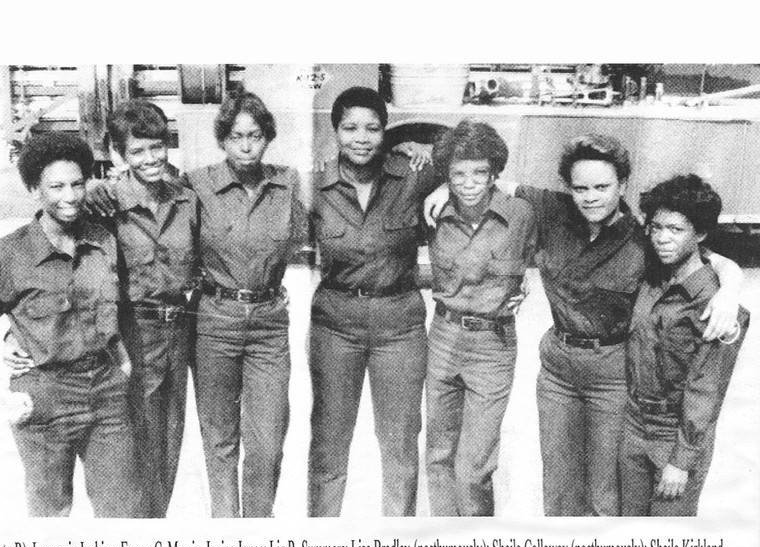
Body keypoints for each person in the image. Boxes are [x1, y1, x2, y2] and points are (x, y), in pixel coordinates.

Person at [425, 134, 742, 516]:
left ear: (622, 185)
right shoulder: (550, 210)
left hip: (611, 372)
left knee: (604, 489)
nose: (590, 197)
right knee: (558, 485)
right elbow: (489, 179)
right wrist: (446, 185)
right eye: (580, 188)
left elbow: (698, 250)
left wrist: (732, 284)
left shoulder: (642, 236)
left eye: (602, 187)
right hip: (557, 370)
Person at [3, 101, 198, 518]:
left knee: (168, 441)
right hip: (130, 333)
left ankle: (152, 533)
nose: (150, 159)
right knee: (130, 451)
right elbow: (49, 263)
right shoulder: (97, 200)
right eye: (138, 151)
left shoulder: (185, 197)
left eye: (157, 147)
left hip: (178, 330)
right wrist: (16, 332)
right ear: (117, 155)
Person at [0, 131, 144, 517]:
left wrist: (123, 361)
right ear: (35, 191)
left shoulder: (103, 241)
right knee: (51, 518)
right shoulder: (10, 254)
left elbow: (112, 309)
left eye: (78, 184)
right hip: (46, 397)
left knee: (122, 513)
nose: (71, 196)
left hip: (107, 392)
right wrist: (2, 393)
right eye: (57, 186)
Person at [307, 86, 437, 517]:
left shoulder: (413, 173)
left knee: (399, 440)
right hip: (335, 323)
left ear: (385, 132)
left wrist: (412, 139)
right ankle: (321, 539)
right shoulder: (316, 187)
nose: (361, 137)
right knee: (329, 439)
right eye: (350, 128)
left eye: (373, 128)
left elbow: (485, 148)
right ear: (335, 132)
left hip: (399, 324)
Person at [184, 91, 308, 517]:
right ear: (222, 139)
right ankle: (225, 529)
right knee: (219, 437)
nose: (245, 145)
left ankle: (258, 525)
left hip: (269, 323)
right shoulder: (197, 185)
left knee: (268, 437)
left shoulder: (287, 182)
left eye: (254, 135)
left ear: (267, 138)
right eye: (236, 136)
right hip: (215, 319)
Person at [620, 174, 749, 516]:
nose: (662, 238)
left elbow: (706, 391)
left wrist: (681, 461)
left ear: (700, 234)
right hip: (633, 425)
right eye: (656, 227)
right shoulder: (651, 276)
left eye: (676, 230)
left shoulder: (714, 304)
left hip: (675, 436)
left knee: (667, 546)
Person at [425, 120, 535, 516]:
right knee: (438, 455)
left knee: (474, 467)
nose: (469, 182)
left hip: (493, 345)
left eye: (479, 172)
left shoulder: (522, 215)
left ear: (494, 173)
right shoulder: (433, 211)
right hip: (443, 337)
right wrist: (437, 187)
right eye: (458, 173)